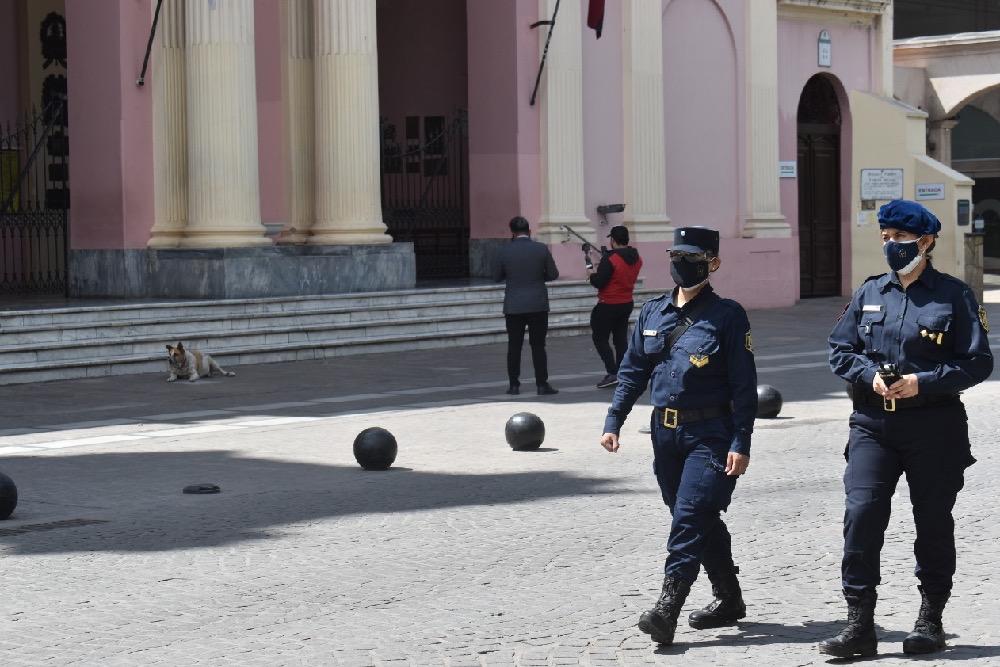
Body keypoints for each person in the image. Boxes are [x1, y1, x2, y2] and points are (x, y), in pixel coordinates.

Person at [821, 200, 993, 658]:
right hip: (873, 425)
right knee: (861, 514)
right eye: (886, 237)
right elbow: (840, 350)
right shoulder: (869, 292)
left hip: (933, 426)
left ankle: (930, 619)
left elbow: (978, 362)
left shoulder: (954, 295)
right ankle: (859, 624)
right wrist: (869, 375)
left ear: (926, 241)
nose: (891, 245)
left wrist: (922, 381)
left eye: (900, 237)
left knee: (932, 520)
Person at [600, 226, 757, 646]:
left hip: (711, 434)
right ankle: (729, 597)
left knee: (689, 516)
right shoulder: (653, 312)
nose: (682, 264)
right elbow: (632, 370)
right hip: (665, 434)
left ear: (713, 263)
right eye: (676, 255)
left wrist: (741, 441)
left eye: (692, 258)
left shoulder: (727, 315)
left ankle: (667, 608)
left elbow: (744, 385)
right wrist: (614, 420)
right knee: (693, 515)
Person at [493, 216, 560, 395]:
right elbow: (553, 274)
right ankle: (542, 384)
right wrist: (538, 278)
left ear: (512, 232)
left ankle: (514, 385)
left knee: (514, 346)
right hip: (537, 304)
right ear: (529, 231)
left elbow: (496, 276)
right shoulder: (541, 248)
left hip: (514, 305)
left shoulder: (504, 250)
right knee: (538, 346)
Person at [587, 225, 643, 388]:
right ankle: (622, 371)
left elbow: (599, 282)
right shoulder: (637, 258)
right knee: (620, 339)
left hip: (608, 303)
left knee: (600, 338)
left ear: (613, 240)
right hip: (626, 302)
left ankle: (612, 372)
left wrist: (591, 274)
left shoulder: (611, 259)